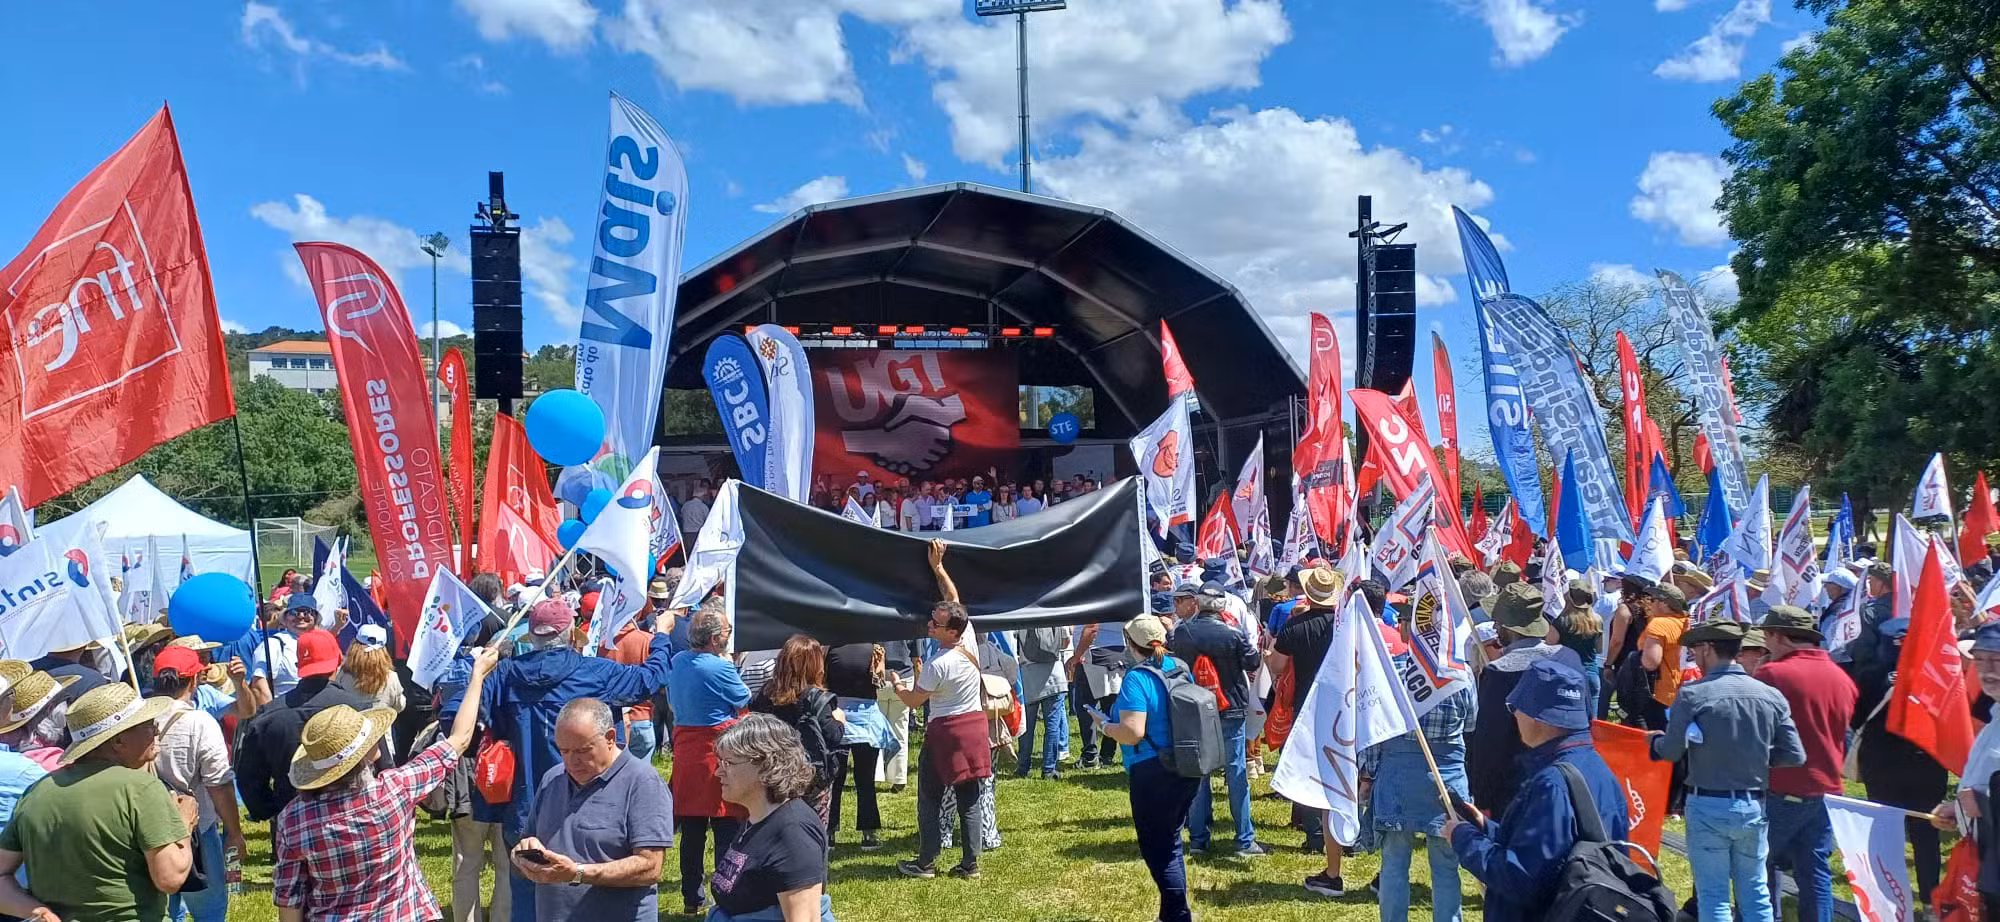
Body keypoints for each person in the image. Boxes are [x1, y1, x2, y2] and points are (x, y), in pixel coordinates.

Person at [275, 647, 498, 922]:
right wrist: (476, 677)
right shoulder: (396, 789)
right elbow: (459, 740)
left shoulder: (293, 819)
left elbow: (290, 902)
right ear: (366, 755)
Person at [1447, 659, 1629, 921]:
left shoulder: (1552, 785)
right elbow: (1555, 851)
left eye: (1516, 707)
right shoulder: (1598, 768)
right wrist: (1486, 828)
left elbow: (1520, 879)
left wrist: (1463, 838)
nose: (1514, 715)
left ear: (1539, 718)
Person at [1648, 619, 1805, 922]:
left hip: (1707, 803)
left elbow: (1671, 751)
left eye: (1695, 649)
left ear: (1708, 648)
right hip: (1752, 804)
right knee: (1756, 891)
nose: (1694, 655)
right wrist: (1756, 758)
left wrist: (1654, 742)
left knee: (1714, 896)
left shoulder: (1693, 694)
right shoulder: (1771, 695)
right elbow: (1794, 754)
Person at [0, 682, 198, 922]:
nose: (156, 731)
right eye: (148, 725)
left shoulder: (36, 792)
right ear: (118, 741)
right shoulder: (140, 789)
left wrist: (36, 911)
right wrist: (183, 826)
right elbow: (170, 878)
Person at [512, 698, 674, 920]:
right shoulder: (553, 779)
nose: (572, 761)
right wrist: (523, 853)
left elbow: (650, 866)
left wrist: (578, 873)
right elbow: (528, 838)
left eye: (582, 750)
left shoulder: (642, 782)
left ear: (610, 738)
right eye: (564, 751)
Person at [1849, 562, 1948, 906]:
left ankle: (1888, 900)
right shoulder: (1934, 675)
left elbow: (1856, 719)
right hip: (1927, 763)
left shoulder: (1868, 675)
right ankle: (1931, 899)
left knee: (1884, 832)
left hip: (1881, 764)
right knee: (1926, 833)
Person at [893, 542, 990, 880]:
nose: (929, 625)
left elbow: (912, 702)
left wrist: (896, 684)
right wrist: (938, 568)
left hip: (945, 733)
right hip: (974, 728)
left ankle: (926, 863)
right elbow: (954, 598)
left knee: (929, 798)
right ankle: (970, 864)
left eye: (935, 623)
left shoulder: (937, 664)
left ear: (951, 631)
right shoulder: (968, 635)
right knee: (969, 798)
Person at [1755, 605, 1858, 922]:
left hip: (1781, 786)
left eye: (1766, 637)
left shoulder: (1772, 675)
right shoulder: (1841, 678)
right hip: (1826, 788)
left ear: (1778, 636)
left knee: (1756, 864)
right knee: (1815, 870)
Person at [1095, 614, 1200, 922]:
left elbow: (1132, 732)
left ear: (1130, 644)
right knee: (1171, 841)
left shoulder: (1136, 678)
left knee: (1158, 849)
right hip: (1185, 763)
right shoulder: (1180, 667)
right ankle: (1172, 913)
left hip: (1152, 771)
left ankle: (1177, 914)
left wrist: (1105, 726)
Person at [1364, 650, 1474, 922]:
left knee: (1394, 862)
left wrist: (1370, 772)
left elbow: (1377, 729)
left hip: (1398, 775)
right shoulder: (1461, 671)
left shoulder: (1393, 669)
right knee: (1446, 866)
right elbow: (1471, 722)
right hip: (1446, 776)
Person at [236, 627, 374, 826]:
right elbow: (382, 764)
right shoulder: (359, 709)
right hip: (352, 815)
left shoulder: (267, 718)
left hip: (291, 819)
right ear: (339, 660)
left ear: (297, 665)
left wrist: (272, 811)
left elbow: (249, 778)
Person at [151, 645, 248, 922]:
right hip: (197, 831)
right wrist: (234, 832)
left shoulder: (141, 718)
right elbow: (219, 784)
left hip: (149, 830)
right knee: (209, 913)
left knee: (161, 912)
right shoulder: (200, 722)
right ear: (194, 680)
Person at [669, 599, 753, 916]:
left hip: (685, 753)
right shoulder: (719, 667)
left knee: (691, 830)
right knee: (726, 827)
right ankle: (723, 894)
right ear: (716, 638)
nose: (730, 636)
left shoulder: (677, 661)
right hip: (717, 753)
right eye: (728, 632)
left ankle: (692, 898)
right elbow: (743, 697)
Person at [709, 713, 835, 922]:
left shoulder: (793, 833)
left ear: (766, 765)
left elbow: (805, 919)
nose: (718, 772)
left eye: (728, 763)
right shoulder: (756, 817)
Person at [1468, 582, 1577, 817]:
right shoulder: (1570, 659)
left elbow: (1489, 742)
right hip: (1568, 778)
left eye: (1497, 621)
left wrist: (1482, 797)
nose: (1494, 626)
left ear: (1509, 627)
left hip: (1515, 790)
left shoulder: (1500, 672)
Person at [1172, 590, 1266, 857]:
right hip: (1230, 707)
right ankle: (1244, 839)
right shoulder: (1232, 634)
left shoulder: (1183, 632)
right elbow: (1252, 662)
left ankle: (1199, 839)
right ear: (1222, 607)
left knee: (1199, 772)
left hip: (1195, 707)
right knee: (1236, 774)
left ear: (1198, 604)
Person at [1272, 565, 1348, 894]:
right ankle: (1347, 836)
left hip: (1307, 705)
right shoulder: (1346, 624)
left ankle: (1316, 834)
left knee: (1311, 772)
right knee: (1344, 771)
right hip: (1344, 705)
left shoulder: (1295, 625)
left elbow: (1275, 664)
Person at [750, 636, 845, 824]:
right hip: (810, 775)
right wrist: (840, 720)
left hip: (774, 770)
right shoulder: (816, 698)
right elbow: (833, 736)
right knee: (813, 827)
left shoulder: (767, 693)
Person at [824, 641, 896, 849]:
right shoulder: (875, 650)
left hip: (837, 717)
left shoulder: (830, 650)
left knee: (835, 779)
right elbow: (879, 682)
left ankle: (830, 833)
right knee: (865, 780)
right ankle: (869, 834)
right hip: (867, 719)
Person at [605, 581, 666, 763]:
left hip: (613, 721)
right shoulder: (648, 641)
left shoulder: (602, 644)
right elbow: (659, 679)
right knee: (639, 777)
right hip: (641, 717)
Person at [1014, 621, 1072, 781]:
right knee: (1052, 727)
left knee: (1027, 727)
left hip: (1029, 675)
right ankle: (1049, 769)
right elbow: (1066, 641)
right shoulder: (1053, 614)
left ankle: (1023, 767)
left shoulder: (1023, 616)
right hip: (1054, 674)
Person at [248, 593, 330, 704]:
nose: (300, 616)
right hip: (285, 710)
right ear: (285, 618)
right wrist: (272, 711)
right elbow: (259, 684)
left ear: (315, 618)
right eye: (294, 612)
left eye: (307, 611)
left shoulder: (323, 644)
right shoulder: (274, 644)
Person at [1551, 579, 1604, 710]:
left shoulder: (1561, 621)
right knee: (1592, 718)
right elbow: (1599, 649)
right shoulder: (1597, 620)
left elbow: (1550, 648)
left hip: (1567, 675)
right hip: (1591, 674)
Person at [337, 624, 406, 713]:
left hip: (349, 721)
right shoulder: (391, 678)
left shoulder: (341, 674)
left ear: (354, 645)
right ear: (384, 650)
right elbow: (399, 706)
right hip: (379, 721)